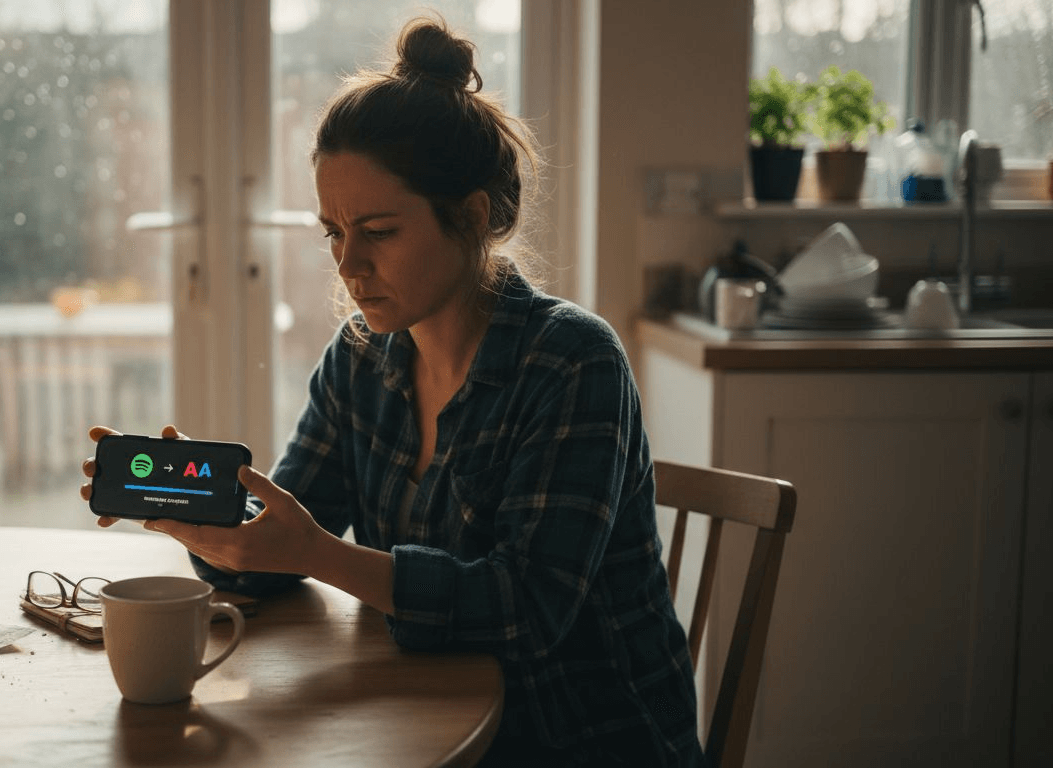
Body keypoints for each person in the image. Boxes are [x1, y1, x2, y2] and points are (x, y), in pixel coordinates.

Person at [82, 17, 703, 766]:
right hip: (418, 726)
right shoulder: (359, 362)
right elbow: (281, 541)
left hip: (580, 741)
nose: (348, 265)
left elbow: (527, 612)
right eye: (333, 233)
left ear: (470, 217)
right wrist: (203, 519)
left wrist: (314, 553)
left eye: (377, 230)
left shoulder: (573, 364)